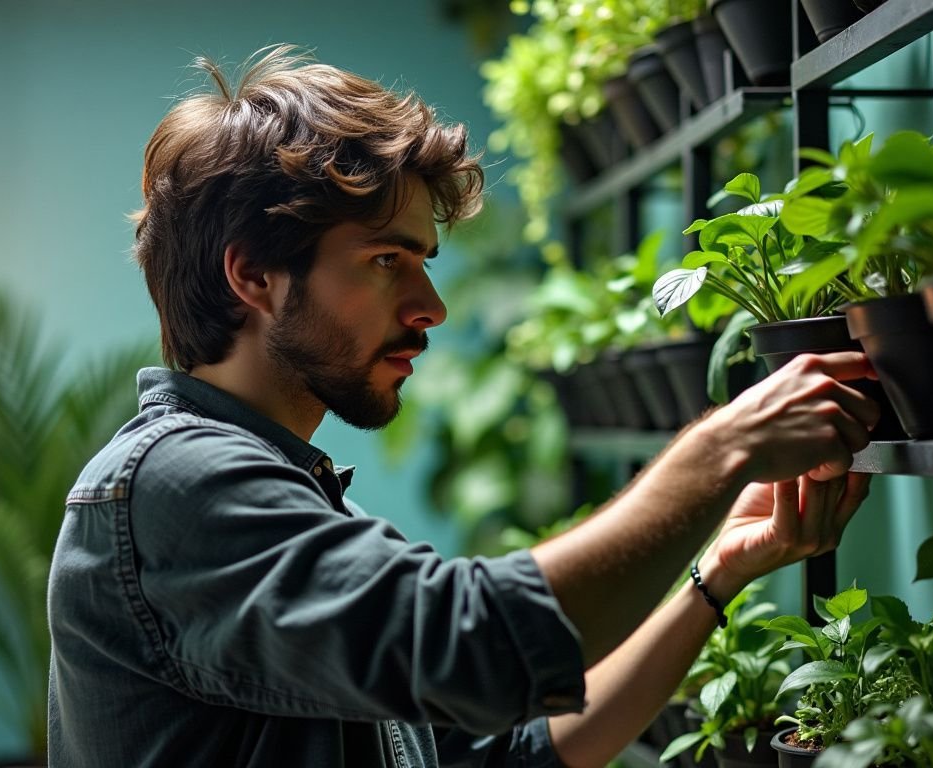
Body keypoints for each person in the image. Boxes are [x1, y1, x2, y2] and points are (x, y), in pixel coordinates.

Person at [46, 44, 879, 768]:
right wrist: (720, 449)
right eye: (384, 260)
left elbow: (514, 752)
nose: (429, 307)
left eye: (426, 262)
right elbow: (474, 644)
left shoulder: (290, 498)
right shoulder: (175, 485)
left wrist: (718, 572)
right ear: (253, 276)